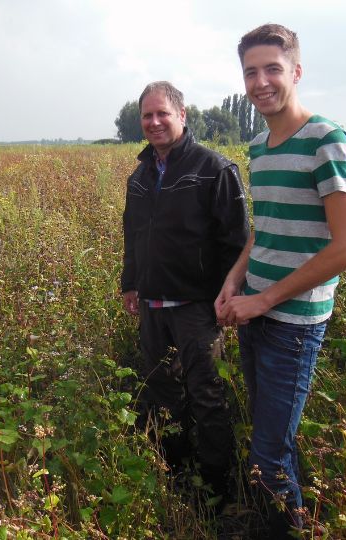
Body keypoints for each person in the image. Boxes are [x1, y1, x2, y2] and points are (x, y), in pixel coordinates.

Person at [214, 24, 346, 537]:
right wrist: (235, 282)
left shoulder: (326, 139)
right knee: (272, 441)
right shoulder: (259, 146)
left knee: (267, 458)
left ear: (296, 72)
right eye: (251, 72)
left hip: (293, 323)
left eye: (272, 69)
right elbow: (266, 228)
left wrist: (265, 301)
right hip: (255, 312)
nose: (261, 82)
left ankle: (287, 528)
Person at [121, 81, 250, 506]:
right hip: (153, 306)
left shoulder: (214, 169)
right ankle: (177, 471)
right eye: (147, 115)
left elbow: (238, 241)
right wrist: (130, 283)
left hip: (198, 307)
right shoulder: (139, 176)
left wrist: (228, 296)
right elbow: (134, 235)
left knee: (207, 394)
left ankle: (218, 489)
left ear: (182, 115)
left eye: (162, 113)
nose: (154, 122)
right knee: (163, 390)